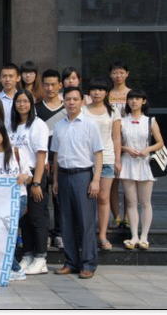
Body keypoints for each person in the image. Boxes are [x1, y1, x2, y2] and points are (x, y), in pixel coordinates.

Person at [51, 86, 104, 280]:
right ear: (63, 101)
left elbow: (98, 153)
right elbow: (56, 155)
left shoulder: (90, 125)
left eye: (75, 99)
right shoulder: (59, 125)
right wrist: (55, 180)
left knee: (85, 222)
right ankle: (71, 262)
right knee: (66, 222)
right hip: (63, 176)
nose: (71, 102)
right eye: (68, 99)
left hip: (83, 176)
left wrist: (96, 180)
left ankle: (88, 264)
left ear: (82, 101)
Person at [0, 117, 32, 281]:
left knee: (7, 230)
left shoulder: (17, 153)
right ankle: (13, 267)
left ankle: (13, 267)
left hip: (17, 198)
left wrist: (24, 176)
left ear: (3, 133)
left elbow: (29, 176)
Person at [10, 89, 50, 276]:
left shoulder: (38, 125)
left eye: (25, 101)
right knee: (23, 219)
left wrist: (36, 183)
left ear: (31, 104)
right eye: (18, 101)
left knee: (37, 217)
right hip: (17, 177)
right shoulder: (12, 125)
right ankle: (27, 255)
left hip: (34, 174)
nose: (22, 105)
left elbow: (41, 155)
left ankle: (40, 258)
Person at [120, 89, 163, 252]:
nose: (134, 101)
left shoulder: (150, 120)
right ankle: (134, 236)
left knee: (145, 202)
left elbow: (160, 142)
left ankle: (144, 237)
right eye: (131, 98)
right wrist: (126, 149)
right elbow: (116, 142)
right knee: (131, 202)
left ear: (144, 101)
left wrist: (148, 149)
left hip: (145, 163)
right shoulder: (122, 121)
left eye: (138, 98)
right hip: (127, 163)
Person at [83, 77, 122, 252]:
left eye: (100, 89)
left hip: (106, 159)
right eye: (93, 89)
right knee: (86, 200)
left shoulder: (113, 112)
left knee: (103, 198)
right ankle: (87, 235)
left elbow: (116, 137)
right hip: (86, 160)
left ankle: (103, 235)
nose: (96, 92)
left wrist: (117, 160)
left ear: (106, 93)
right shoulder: (83, 110)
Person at [35, 69, 67, 250]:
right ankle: (45, 234)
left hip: (62, 162)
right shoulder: (36, 108)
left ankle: (59, 233)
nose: (50, 88)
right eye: (46, 84)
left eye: (53, 84)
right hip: (42, 162)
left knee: (59, 200)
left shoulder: (67, 108)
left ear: (60, 85)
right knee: (42, 200)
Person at [108, 61, 132, 230]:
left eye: (121, 72)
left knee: (128, 181)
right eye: (115, 72)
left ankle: (127, 217)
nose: (118, 76)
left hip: (130, 140)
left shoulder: (132, 94)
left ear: (127, 74)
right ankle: (116, 217)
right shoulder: (107, 94)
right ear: (110, 75)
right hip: (111, 140)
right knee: (113, 183)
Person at [0, 63, 20, 131]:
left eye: (11, 76)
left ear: (18, 78)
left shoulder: (25, 99)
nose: (7, 79)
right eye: (4, 76)